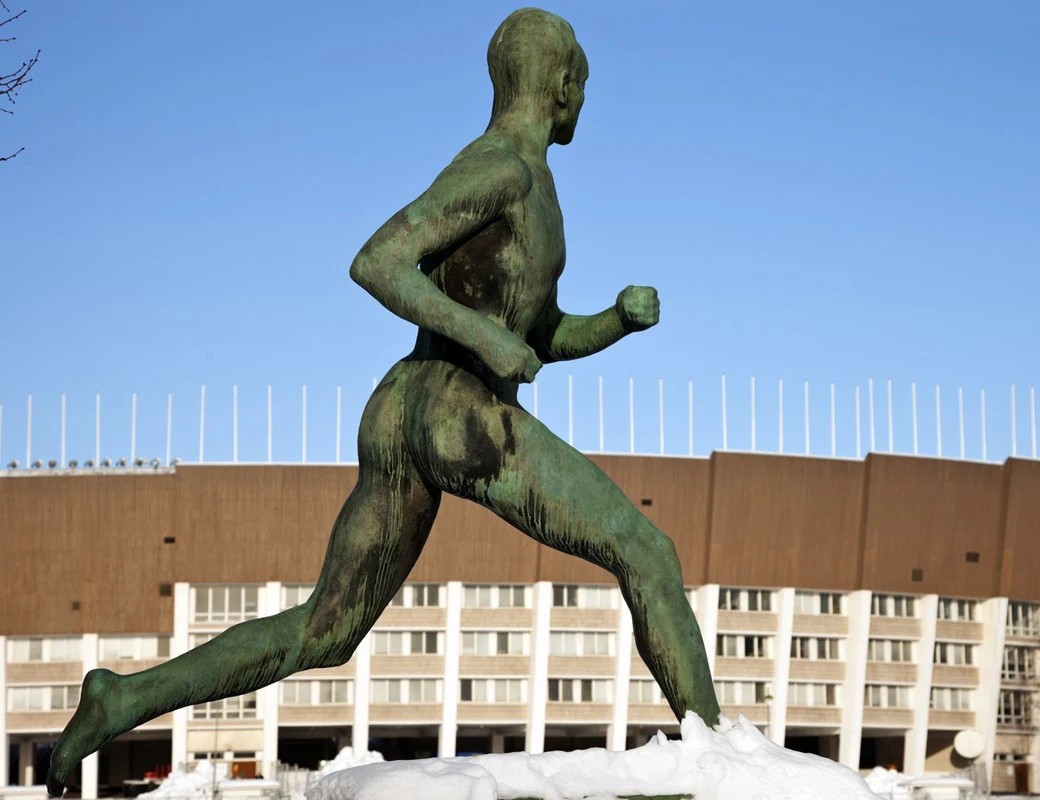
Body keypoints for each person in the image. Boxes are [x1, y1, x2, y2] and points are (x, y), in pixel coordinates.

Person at [48, 9, 720, 794]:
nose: (582, 102)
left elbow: (540, 337)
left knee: (326, 630)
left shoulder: (534, 191)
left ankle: (124, 698)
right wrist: (488, 339)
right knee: (646, 551)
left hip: (401, 412)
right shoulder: (502, 169)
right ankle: (722, 762)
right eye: (583, 85)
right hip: (454, 411)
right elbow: (379, 260)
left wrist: (614, 321)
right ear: (563, 85)